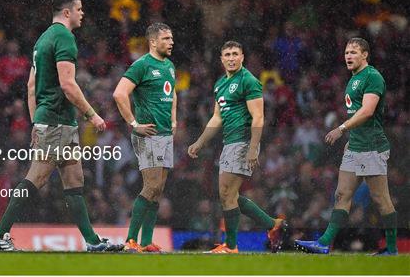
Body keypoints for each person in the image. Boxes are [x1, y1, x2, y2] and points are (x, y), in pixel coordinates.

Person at [0, 0, 121, 252]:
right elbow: (68, 84)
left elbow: (31, 85)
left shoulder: (42, 40)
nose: (83, 13)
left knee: (74, 180)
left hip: (54, 120)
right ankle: (0, 233)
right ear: (67, 12)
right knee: (36, 177)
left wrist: (37, 120)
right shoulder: (64, 38)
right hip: (58, 121)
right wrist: (92, 114)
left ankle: (92, 242)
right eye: (79, 9)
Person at [295, 38, 398, 255]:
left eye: (353, 52)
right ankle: (324, 243)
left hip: (372, 147)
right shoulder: (353, 79)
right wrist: (351, 138)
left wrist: (341, 129)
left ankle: (391, 248)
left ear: (365, 55)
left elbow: (368, 111)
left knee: (381, 200)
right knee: (342, 194)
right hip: (356, 146)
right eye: (346, 52)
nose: (348, 56)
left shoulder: (372, 76)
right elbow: (357, 113)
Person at [187, 41, 287, 254]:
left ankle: (231, 246)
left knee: (227, 193)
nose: (231, 58)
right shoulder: (220, 84)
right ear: (221, 59)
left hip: (243, 140)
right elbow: (216, 117)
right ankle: (272, 224)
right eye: (227, 54)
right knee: (227, 194)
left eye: (235, 54)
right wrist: (200, 142)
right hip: (229, 141)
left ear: (242, 57)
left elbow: (258, 116)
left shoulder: (248, 80)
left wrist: (253, 147)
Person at [113, 22, 177, 253]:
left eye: (171, 38)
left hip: (164, 134)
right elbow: (119, 93)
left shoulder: (169, 66)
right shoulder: (141, 65)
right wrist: (134, 124)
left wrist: (174, 120)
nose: (171, 42)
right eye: (166, 39)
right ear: (153, 42)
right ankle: (130, 240)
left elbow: (172, 93)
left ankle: (146, 241)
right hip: (148, 134)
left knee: (158, 189)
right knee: (150, 187)